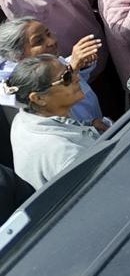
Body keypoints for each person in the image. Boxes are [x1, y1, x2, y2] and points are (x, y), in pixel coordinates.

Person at [3, 54, 100, 189]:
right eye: (66, 78)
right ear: (38, 98)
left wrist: (90, 124)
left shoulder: (23, 119)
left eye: (70, 70)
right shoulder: (66, 154)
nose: (76, 77)